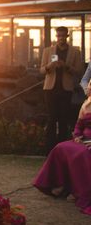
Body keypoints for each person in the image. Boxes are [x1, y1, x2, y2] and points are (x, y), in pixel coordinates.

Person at [33, 79, 91, 215]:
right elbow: (79, 125)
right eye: (89, 85)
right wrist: (77, 136)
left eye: (90, 86)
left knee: (80, 155)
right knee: (60, 148)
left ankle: (80, 191)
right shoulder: (86, 104)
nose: (88, 88)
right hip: (83, 141)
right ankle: (57, 186)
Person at [40, 26, 83, 154]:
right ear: (56, 37)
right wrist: (50, 66)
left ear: (67, 36)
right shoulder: (48, 51)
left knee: (64, 118)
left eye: (63, 36)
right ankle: (49, 149)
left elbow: (79, 71)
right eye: (58, 36)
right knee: (52, 118)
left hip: (66, 89)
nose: (61, 38)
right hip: (50, 89)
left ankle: (62, 149)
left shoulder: (75, 52)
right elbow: (42, 70)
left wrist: (66, 66)